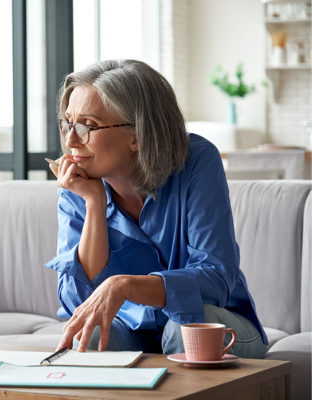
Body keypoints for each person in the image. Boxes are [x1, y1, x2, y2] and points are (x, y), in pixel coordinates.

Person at [44, 59, 267, 358]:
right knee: (92, 333)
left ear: (137, 135)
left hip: (217, 324)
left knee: (184, 328)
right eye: (67, 123)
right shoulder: (78, 182)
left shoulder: (197, 161)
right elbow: (79, 302)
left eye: (88, 126)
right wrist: (94, 203)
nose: (71, 140)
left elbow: (216, 277)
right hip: (132, 330)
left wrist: (124, 286)